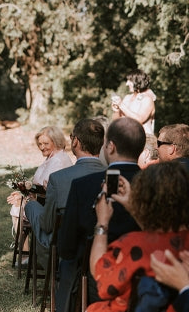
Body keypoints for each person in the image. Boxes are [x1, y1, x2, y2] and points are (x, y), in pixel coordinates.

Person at [58, 117, 144, 309]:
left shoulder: (83, 186)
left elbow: (67, 246)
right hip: (147, 273)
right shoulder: (158, 184)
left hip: (97, 279)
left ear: (110, 147)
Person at [24, 119, 105, 312]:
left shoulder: (59, 179)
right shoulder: (113, 176)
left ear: (75, 141)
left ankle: (43, 265)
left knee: (32, 208)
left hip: (65, 248)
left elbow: (47, 224)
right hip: (100, 245)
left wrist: (32, 205)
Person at [89, 162, 189, 312]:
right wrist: (134, 208)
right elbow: (160, 238)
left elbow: (101, 276)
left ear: (142, 199)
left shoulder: (132, 244)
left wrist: (102, 222)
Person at [7, 126, 72, 241]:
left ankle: (26, 255)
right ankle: (27, 253)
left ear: (56, 141)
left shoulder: (58, 161)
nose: (42, 147)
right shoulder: (52, 158)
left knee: (17, 208)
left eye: (46, 143)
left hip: (52, 210)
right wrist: (22, 193)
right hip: (45, 203)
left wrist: (24, 198)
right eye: (40, 144)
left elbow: (47, 190)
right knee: (17, 204)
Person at [111, 69, 156, 134]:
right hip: (127, 138)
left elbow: (138, 120)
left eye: (130, 81)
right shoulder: (127, 98)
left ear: (138, 81)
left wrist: (121, 105)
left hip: (144, 140)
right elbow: (116, 121)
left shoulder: (147, 99)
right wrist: (116, 111)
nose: (127, 84)